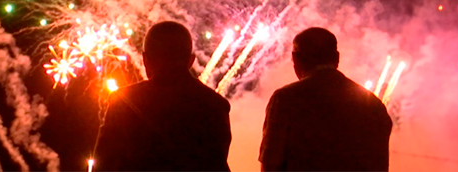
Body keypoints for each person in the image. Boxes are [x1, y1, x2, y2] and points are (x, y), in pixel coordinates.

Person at [93, 21, 232, 172]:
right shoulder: (215, 105)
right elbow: (216, 165)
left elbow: (102, 165)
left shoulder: (122, 102)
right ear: (191, 61)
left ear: (145, 59)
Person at [260, 27, 392, 172]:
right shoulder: (374, 105)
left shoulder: (286, 99)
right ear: (337, 58)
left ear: (295, 58)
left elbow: (270, 162)